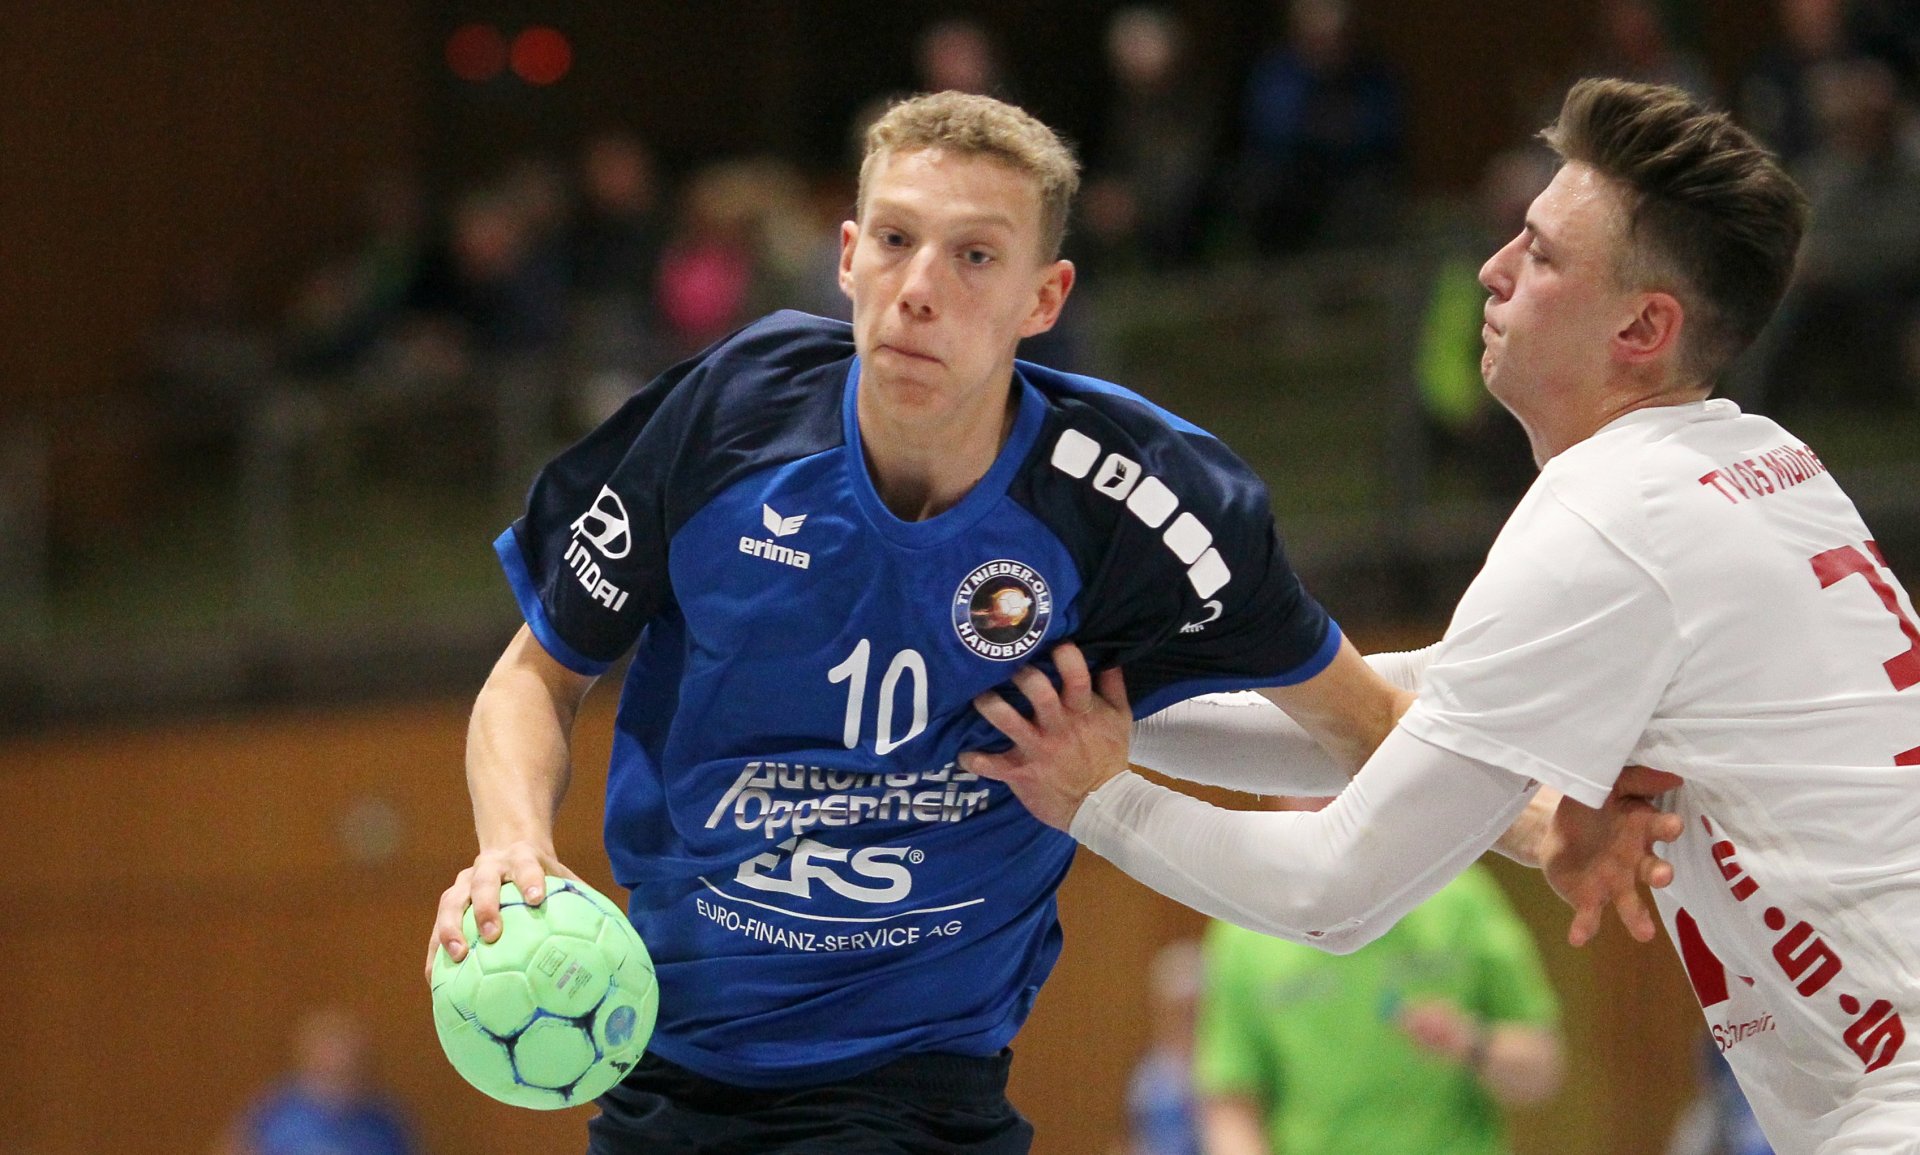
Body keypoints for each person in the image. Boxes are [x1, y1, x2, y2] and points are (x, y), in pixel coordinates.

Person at [424, 89, 1664, 1153]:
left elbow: (1359, 723)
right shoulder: (725, 419)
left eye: (974, 256)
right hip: (672, 1068)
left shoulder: (1139, 503)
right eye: (897, 242)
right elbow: (534, 677)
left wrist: (1545, 824)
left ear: (1043, 294)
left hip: (919, 1084)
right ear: (846, 256)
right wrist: (511, 845)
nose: (920, 289)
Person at [964, 78, 1920, 1152]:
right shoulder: (1750, 464)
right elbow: (1389, 714)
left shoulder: (1613, 517)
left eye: (1545, 255)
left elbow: (1335, 893)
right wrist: (1080, 704)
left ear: (1645, 327)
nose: (1492, 269)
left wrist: (1093, 795)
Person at [1195, 845, 1562, 1155]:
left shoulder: (1459, 898)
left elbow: (1542, 1069)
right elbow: (1230, 1103)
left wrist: (1471, 1042)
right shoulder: (1248, 930)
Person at [213, 1007, 416, 1155]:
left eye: (347, 1071)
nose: (337, 1082)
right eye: (328, 1069)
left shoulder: (383, 1125)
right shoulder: (271, 1115)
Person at [1125, 940, 1205, 1155]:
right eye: (1177, 1010)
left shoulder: (1227, 1070)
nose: (1185, 1021)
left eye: (1192, 1010)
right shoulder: (1148, 1075)